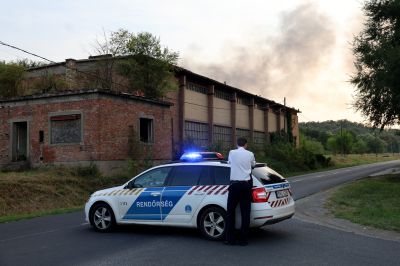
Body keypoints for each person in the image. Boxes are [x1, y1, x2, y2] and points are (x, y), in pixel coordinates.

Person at [225, 137, 256, 246]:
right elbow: (253, 165)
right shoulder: (250, 154)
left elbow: (229, 163)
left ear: (237, 144)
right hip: (246, 186)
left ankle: (230, 239)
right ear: (246, 145)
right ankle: (243, 240)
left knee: (230, 212)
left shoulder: (232, 153)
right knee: (245, 213)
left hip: (234, 185)